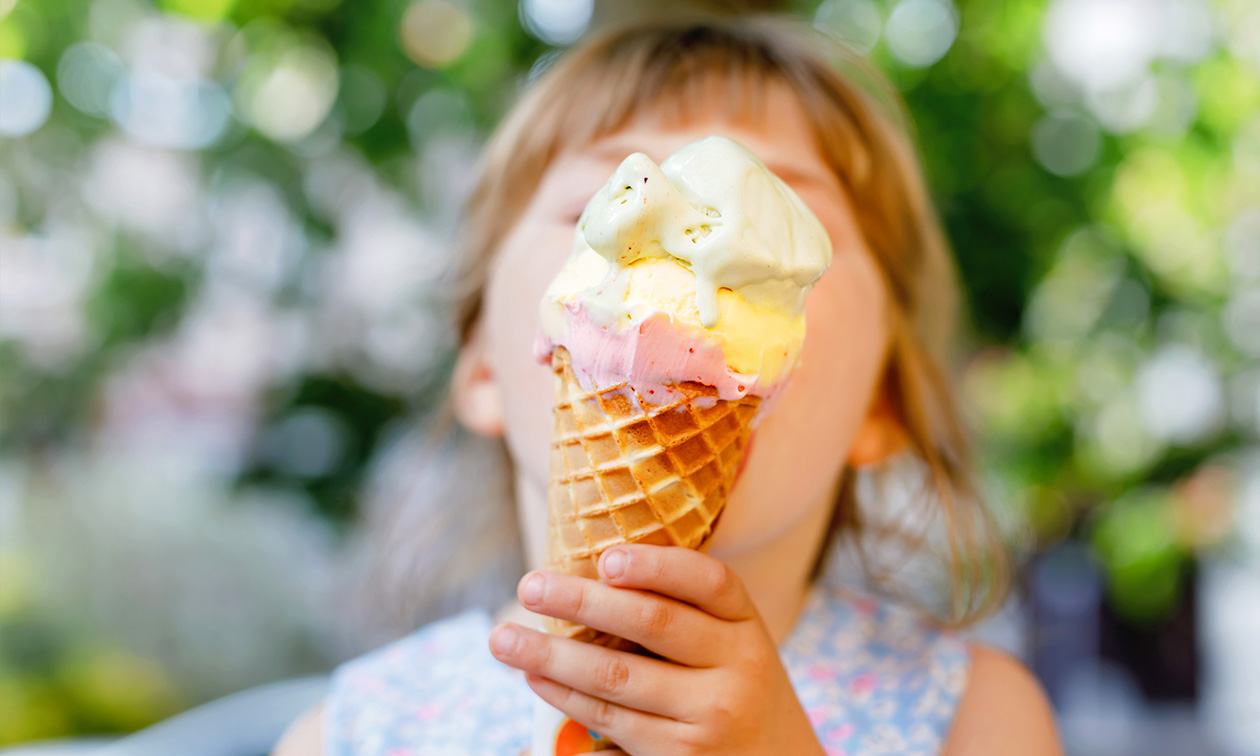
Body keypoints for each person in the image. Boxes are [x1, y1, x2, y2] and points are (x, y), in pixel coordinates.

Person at [276, 16, 1061, 756]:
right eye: (604, 199)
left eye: (776, 212)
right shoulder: (356, 733)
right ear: (483, 363)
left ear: (882, 399)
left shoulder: (973, 716)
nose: (691, 240)